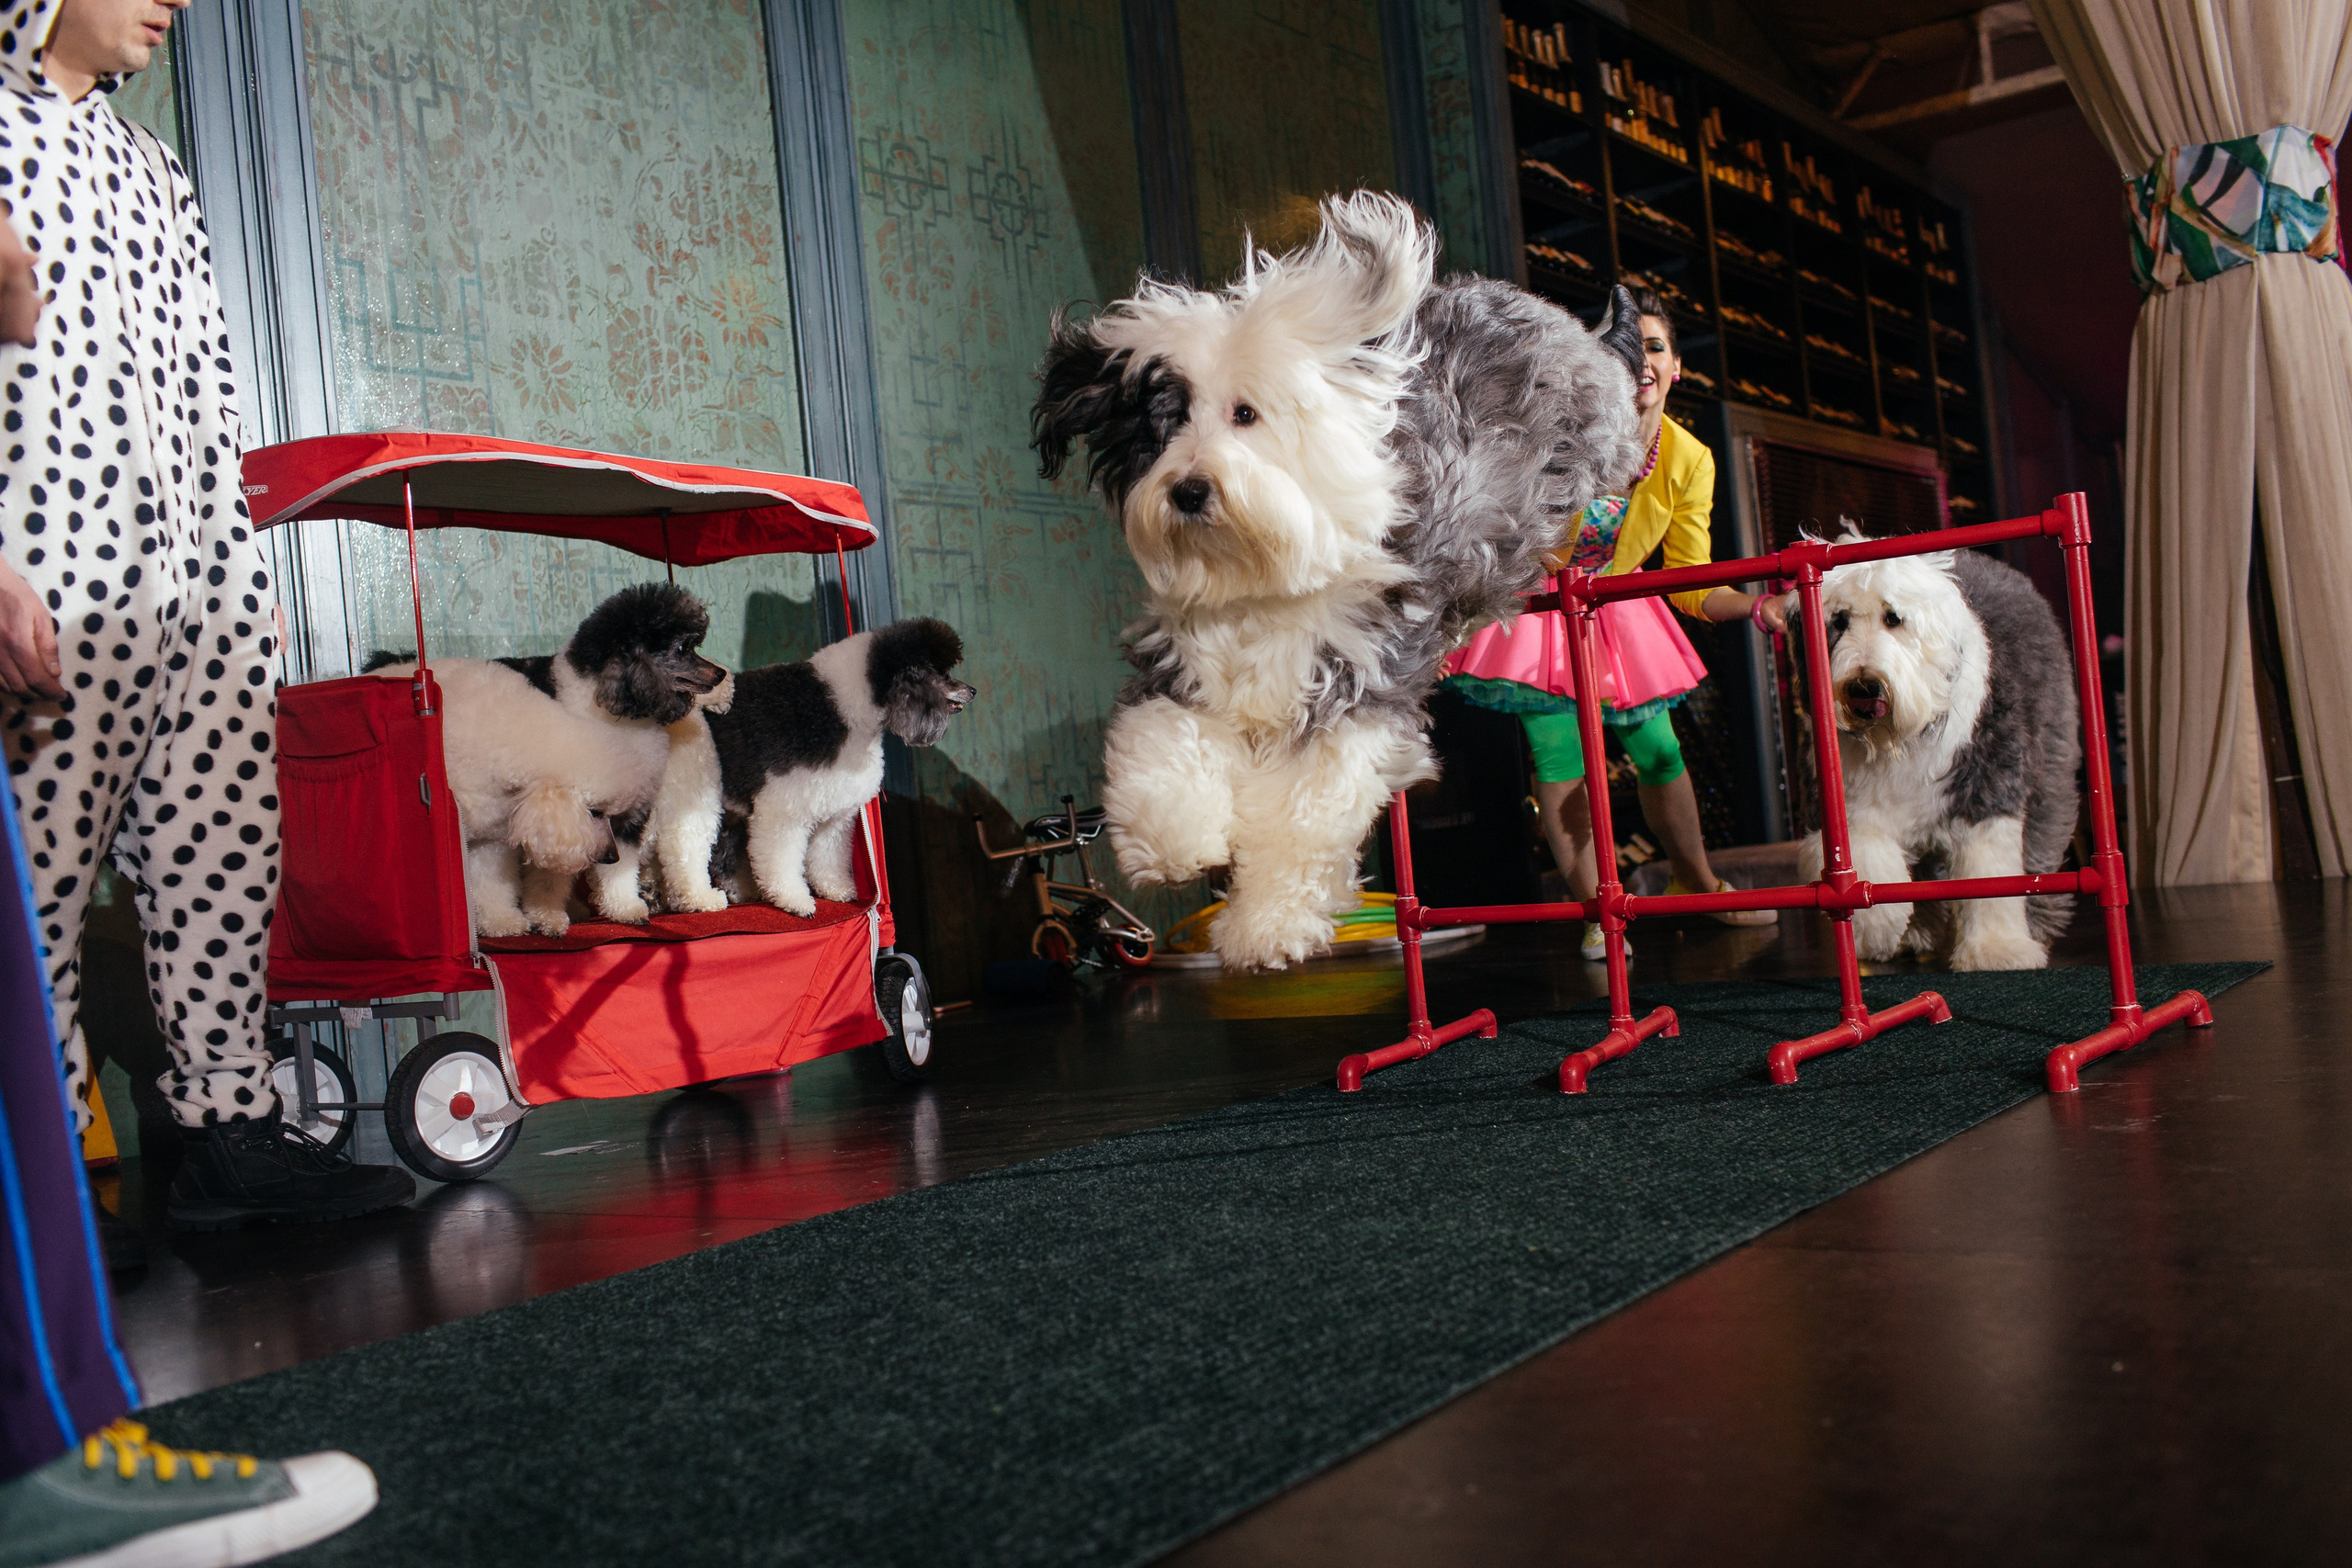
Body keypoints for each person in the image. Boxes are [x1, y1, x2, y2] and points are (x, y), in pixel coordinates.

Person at [0, 0, 411, 1226]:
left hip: (195, 584)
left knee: (222, 861)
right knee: (37, 887)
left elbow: (213, 383)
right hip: (47, 581)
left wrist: (239, 570)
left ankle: (231, 1133)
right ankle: (49, 1185)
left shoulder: (156, 168)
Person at [1442, 290, 1785, 960]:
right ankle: (1602, 912)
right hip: (1541, 606)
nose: (1644, 361)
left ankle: (1696, 882)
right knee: (1560, 759)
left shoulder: (1689, 458)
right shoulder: (1562, 425)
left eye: (1657, 347)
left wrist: (1752, 606)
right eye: (1633, 349)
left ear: (1677, 367)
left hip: (1620, 607)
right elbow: (1495, 516)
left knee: (1660, 752)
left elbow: (1690, 578)